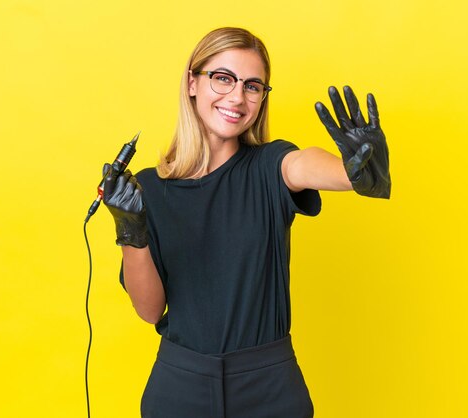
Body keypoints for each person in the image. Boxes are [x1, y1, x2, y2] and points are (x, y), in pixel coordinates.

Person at [102, 27, 390, 418]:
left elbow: (304, 163)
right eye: (223, 78)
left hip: (269, 387)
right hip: (179, 387)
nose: (237, 97)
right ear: (192, 82)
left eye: (253, 86)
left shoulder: (269, 166)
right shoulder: (146, 190)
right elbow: (150, 311)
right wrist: (130, 233)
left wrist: (354, 173)